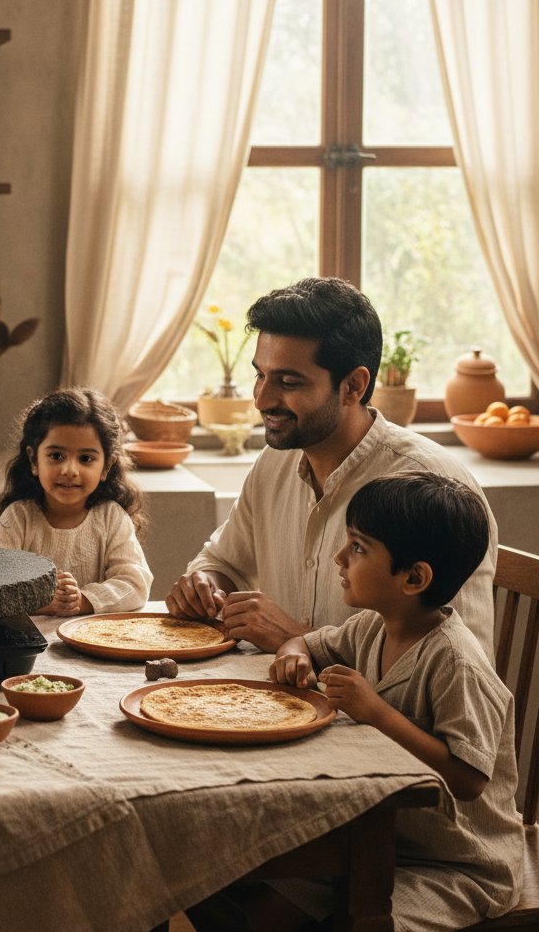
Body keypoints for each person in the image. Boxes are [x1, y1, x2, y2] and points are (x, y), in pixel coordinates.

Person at [254, 472, 523, 932]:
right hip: (384, 840)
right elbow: (307, 643)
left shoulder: (456, 663)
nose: (340, 557)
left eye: (358, 547)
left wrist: (376, 712)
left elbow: (467, 779)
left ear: (414, 578)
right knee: (269, 914)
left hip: (460, 862)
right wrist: (291, 653)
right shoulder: (369, 628)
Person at [166, 277, 497, 658]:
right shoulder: (276, 460)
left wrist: (298, 639)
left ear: (353, 386)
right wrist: (203, 586)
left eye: (288, 381)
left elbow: (457, 667)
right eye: (260, 375)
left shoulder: (433, 486)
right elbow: (224, 561)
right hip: (286, 705)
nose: (261, 399)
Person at [0, 387, 152, 615]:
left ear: (106, 467)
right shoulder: (18, 518)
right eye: (56, 456)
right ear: (34, 459)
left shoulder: (111, 518)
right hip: (30, 643)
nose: (69, 470)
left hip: (96, 642)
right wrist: (42, 602)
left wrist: (83, 600)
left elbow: (135, 583)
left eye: (85, 458)